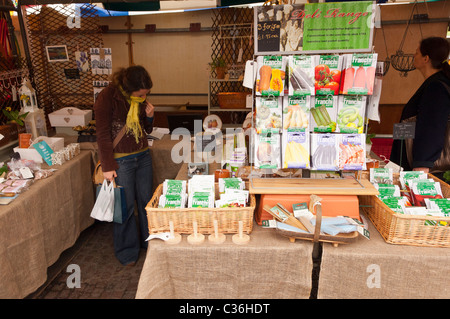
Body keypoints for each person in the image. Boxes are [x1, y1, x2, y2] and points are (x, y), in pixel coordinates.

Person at [94, 65, 154, 266]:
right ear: (128, 88)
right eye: (141, 93)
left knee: (147, 203)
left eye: (146, 93)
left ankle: (150, 244)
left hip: (143, 156)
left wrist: (150, 116)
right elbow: (102, 133)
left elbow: (145, 129)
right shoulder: (107, 97)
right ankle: (127, 251)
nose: (144, 96)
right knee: (125, 208)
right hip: (120, 162)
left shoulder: (138, 98)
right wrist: (107, 166)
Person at [390, 37, 450, 181]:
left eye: (417, 53)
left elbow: (432, 126)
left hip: (425, 168)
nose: (413, 56)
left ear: (426, 58)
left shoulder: (436, 87)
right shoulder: (432, 84)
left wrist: (423, 163)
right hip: (411, 160)